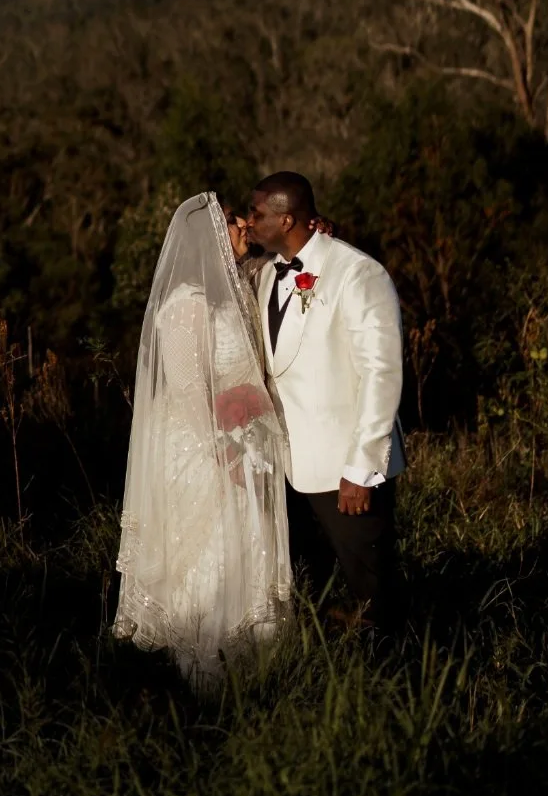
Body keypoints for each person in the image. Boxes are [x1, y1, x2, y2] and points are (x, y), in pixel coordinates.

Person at [113, 192, 292, 683]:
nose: (244, 234)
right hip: (199, 446)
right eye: (237, 226)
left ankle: (254, 667)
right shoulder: (183, 305)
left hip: (239, 438)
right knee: (210, 556)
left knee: (245, 546)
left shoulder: (233, 291)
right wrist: (223, 450)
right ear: (211, 232)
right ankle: (204, 672)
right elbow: (190, 388)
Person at [248, 170, 405, 633]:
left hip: (345, 469)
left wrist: (361, 467)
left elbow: (382, 373)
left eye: (258, 215)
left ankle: (402, 681)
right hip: (288, 465)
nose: (250, 222)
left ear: (287, 219)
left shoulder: (358, 273)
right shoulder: (264, 274)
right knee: (311, 589)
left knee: (374, 593)